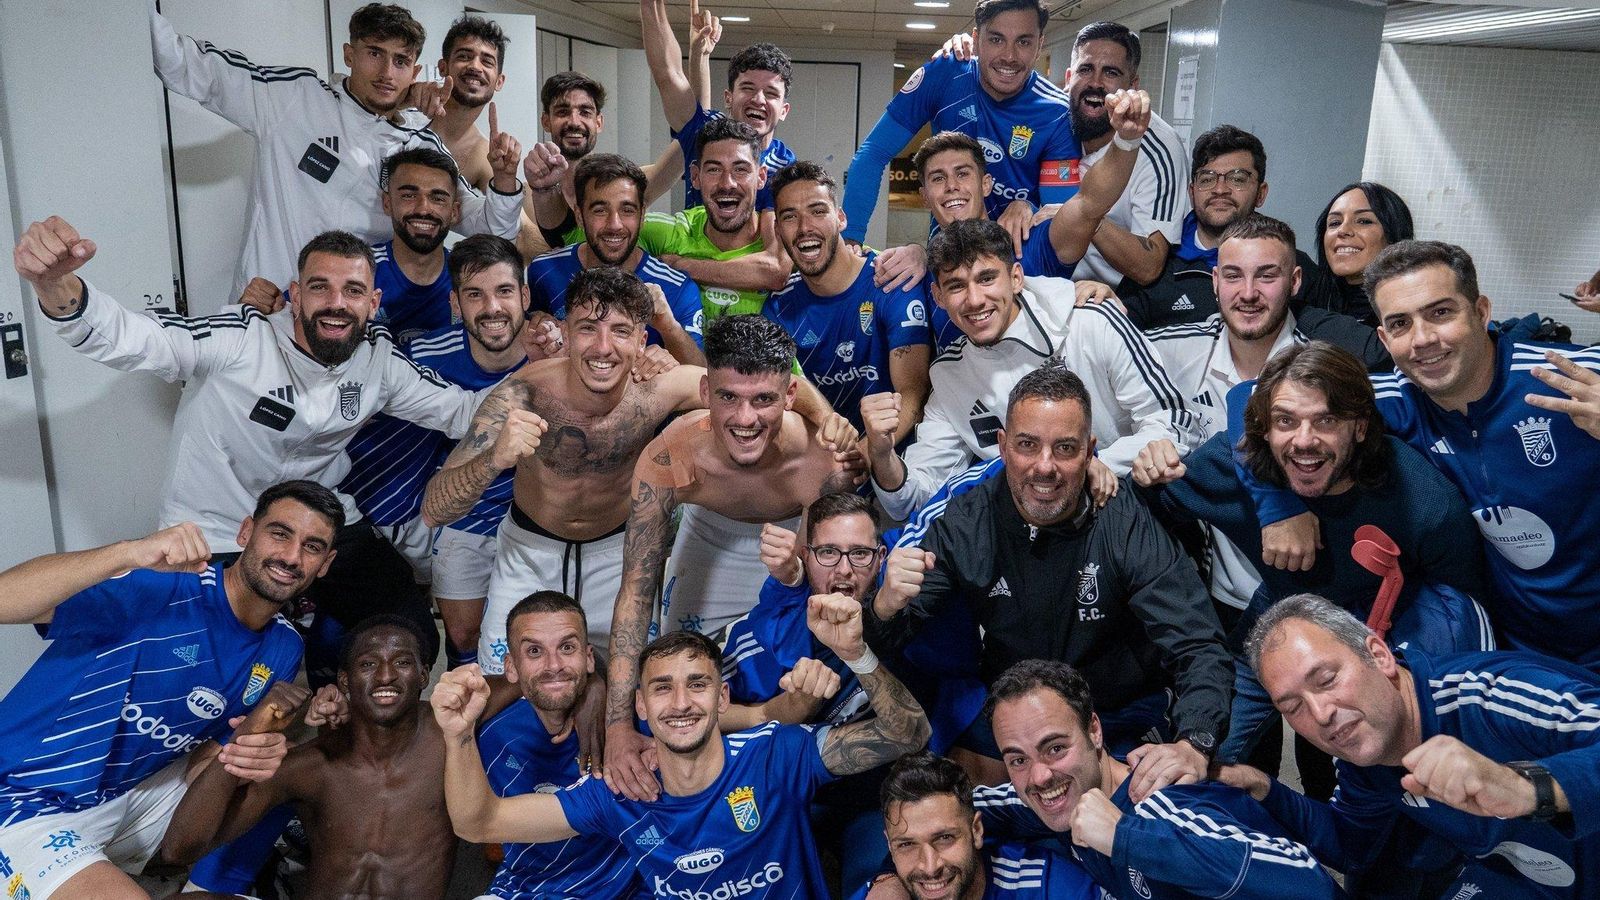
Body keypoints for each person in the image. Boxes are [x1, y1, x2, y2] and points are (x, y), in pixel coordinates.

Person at [420, 279, 843, 672]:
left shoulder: (660, 387)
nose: (603, 348)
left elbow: (753, 382)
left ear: (641, 340)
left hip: (618, 553)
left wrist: (828, 421)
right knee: (507, 682)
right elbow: (434, 510)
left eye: (620, 331)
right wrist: (493, 458)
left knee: (629, 682)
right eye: (588, 328)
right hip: (529, 553)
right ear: (565, 333)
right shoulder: (523, 393)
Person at [1230, 240, 1600, 672]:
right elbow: (1249, 397)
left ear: (1481, 312)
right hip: (1520, 650)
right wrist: (1279, 505)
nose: (1423, 339)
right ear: (1385, 339)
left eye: (1441, 313)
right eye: (1401, 324)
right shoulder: (1393, 400)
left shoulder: (1572, 379)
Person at [865, 366, 1233, 786]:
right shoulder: (966, 522)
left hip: (1118, 709)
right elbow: (889, 638)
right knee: (942, 799)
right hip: (1016, 711)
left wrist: (1194, 742)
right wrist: (883, 607)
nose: (1045, 467)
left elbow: (1198, 644)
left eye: (1065, 448)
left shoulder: (1123, 519)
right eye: (1027, 445)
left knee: (1129, 812)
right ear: (1002, 447)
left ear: (1090, 452)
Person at [1137, 341, 1491, 771]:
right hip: (1287, 606)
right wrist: (1128, 468)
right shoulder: (1233, 471)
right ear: (1262, 430)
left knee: (1400, 763)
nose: (1304, 441)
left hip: (1399, 619)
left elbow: (1470, 610)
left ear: (1360, 427)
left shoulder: (1421, 502)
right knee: (1208, 753)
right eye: (1286, 421)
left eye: (1325, 420)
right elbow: (1148, 506)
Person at [433, 599, 932, 898]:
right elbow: (480, 822)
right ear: (640, 710)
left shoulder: (776, 755)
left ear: (722, 697)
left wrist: (855, 654)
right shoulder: (621, 791)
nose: (680, 703)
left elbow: (909, 734)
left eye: (696, 684)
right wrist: (458, 735)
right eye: (662, 688)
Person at [0, 481, 336, 900]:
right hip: (24, 793)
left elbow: (205, 761)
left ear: (326, 563)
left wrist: (246, 751)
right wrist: (126, 552)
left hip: (121, 796)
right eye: (280, 534)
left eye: (313, 546)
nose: (291, 557)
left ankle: (198, 883)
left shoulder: (284, 647)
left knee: (274, 766)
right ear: (246, 532)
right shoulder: (162, 587)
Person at [600, 314, 865, 799]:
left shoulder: (820, 461)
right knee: (689, 685)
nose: (745, 420)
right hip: (707, 536)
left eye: (763, 399)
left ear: (789, 396)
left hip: (791, 547)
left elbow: (830, 582)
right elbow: (636, 591)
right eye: (728, 398)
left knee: (787, 690)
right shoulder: (669, 455)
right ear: (705, 391)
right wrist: (617, 725)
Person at [1228, 593, 1600, 897]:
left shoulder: (1488, 695)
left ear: (1379, 655)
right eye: (1292, 707)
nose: (1321, 713)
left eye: (1326, 679)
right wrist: (1263, 788)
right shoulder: (1365, 759)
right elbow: (1353, 845)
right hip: (1528, 878)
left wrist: (1528, 788)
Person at [148, 2, 524, 295]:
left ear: (415, 70)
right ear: (349, 55)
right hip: (266, 307)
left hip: (350, 322)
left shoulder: (420, 145)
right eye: (374, 53)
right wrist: (128, 14)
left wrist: (506, 180)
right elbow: (188, 66)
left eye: (400, 61)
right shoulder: (295, 99)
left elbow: (491, 226)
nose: (387, 73)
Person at [865, 218, 1200, 521]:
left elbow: (1178, 423)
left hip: (1129, 511)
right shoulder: (950, 376)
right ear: (938, 296)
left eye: (987, 278)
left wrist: (1091, 467)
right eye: (956, 286)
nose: (975, 299)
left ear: (1016, 278)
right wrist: (881, 455)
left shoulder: (1091, 320)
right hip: (1034, 539)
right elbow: (917, 498)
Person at [976, 659, 1343, 899]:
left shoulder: (1162, 801)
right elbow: (952, 805)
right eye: (1018, 759)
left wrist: (1125, 837)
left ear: (1094, 731)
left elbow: (1308, 884)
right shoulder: (1049, 797)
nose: (1039, 775)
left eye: (1055, 748)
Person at [160, 616, 456, 900]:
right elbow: (179, 849)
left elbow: (502, 684)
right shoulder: (310, 766)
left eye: (402, 662)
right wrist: (244, 737)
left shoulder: (450, 739)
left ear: (424, 674)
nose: (385, 675)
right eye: (367, 664)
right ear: (344, 680)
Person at [340, 235, 530, 668]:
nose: (492, 308)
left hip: (537, 511)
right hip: (463, 511)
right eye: (475, 295)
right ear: (456, 304)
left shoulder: (560, 354)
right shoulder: (425, 354)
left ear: (525, 296)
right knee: (464, 633)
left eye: (504, 291)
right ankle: (469, 723)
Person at [885, 86, 1151, 348]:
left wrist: (1126, 141)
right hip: (958, 388)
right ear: (924, 196)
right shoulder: (923, 272)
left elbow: (1089, 203)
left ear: (986, 184)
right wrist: (917, 252)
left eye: (963, 173)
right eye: (938, 178)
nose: (952, 185)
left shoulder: (1031, 242)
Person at [841, 0, 1080, 244]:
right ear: (976, 40)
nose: (1009, 56)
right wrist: (850, 241)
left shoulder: (1057, 112)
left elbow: (1061, 216)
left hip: (1021, 256)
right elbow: (873, 154)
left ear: (1040, 45)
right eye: (996, 39)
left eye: (1023, 42)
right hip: (947, 253)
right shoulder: (944, 74)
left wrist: (1029, 205)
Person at [473, 592, 641, 899]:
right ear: (511, 667)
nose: (554, 665)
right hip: (525, 889)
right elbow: (472, 822)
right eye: (535, 651)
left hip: (625, 890)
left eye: (567, 647)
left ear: (589, 657)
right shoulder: (492, 735)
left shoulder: (628, 724)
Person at [1114, 126, 1344, 332]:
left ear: (1261, 193)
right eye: (1207, 179)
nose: (1220, 190)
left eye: (1237, 179)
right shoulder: (1158, 267)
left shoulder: (1292, 266)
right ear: (1192, 192)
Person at [765, 162, 932, 437]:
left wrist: (864, 458)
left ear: (841, 219)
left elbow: (912, 394)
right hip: (822, 456)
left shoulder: (891, 280)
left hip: (892, 460)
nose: (805, 227)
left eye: (818, 211)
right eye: (790, 217)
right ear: (778, 229)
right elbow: (780, 390)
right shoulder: (777, 306)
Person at [526, 153, 706, 365]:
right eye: (600, 210)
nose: (615, 224)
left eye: (627, 210)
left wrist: (668, 327)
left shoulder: (677, 288)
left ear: (643, 215)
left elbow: (699, 377)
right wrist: (541, 328)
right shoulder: (544, 270)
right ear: (579, 216)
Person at [852, 752, 1097, 900]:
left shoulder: (1051, 888)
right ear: (889, 847)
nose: (930, 866)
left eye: (945, 838)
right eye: (906, 844)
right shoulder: (878, 894)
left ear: (976, 830)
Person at [1057, 22, 1189, 289]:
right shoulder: (1053, 121)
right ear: (1069, 77)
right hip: (1050, 289)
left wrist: (1082, 216)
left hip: (1117, 303)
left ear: (1132, 85)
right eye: (1085, 69)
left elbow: (1148, 265)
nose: (1095, 83)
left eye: (1111, 72)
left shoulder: (1158, 148)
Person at [640, 0, 795, 209]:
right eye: (748, 88)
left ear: (784, 110)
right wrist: (650, 5)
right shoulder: (704, 135)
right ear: (728, 98)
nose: (758, 99)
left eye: (771, 93)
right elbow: (668, 74)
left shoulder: (785, 166)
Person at [1310, 181, 1415, 326]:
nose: (1343, 230)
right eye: (1335, 223)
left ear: (1394, 235)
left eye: (1364, 221)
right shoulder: (1307, 307)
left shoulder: (1413, 313)